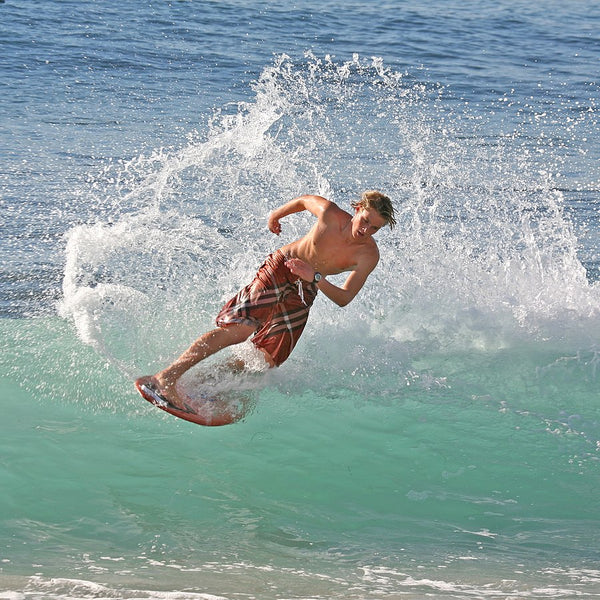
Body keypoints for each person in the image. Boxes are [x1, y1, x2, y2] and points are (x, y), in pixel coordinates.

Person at [135, 191, 396, 412]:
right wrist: (276, 215)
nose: (366, 230)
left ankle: (202, 386)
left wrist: (315, 278)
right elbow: (305, 201)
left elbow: (344, 298)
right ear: (358, 209)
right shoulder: (330, 213)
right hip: (282, 266)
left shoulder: (368, 255)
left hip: (306, 288)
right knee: (240, 330)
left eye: (375, 228)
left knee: (267, 358)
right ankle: (164, 379)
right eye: (365, 220)